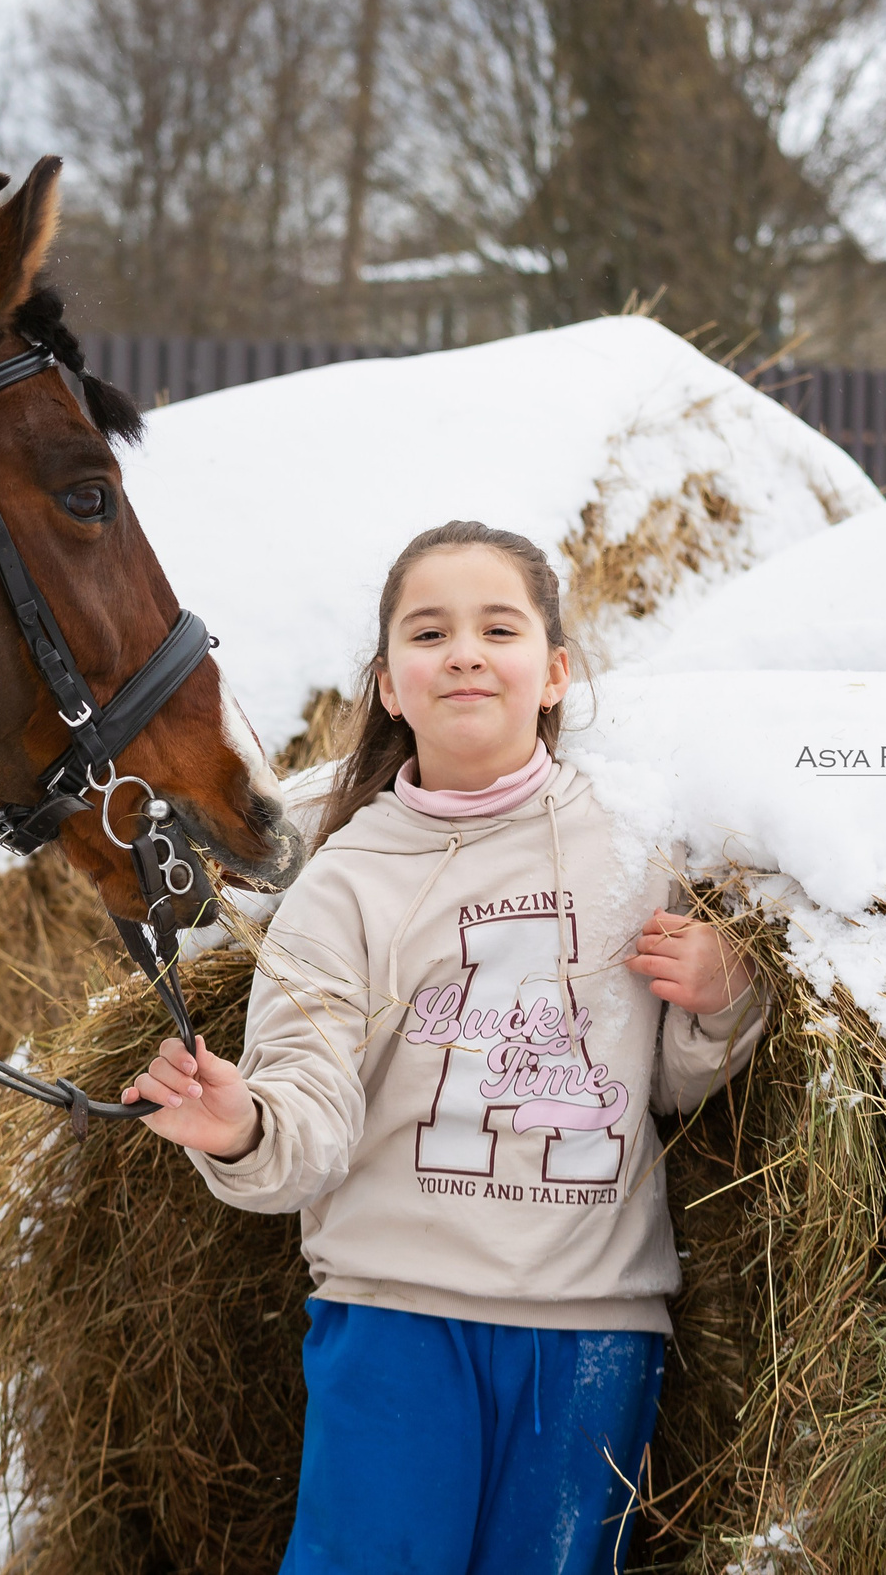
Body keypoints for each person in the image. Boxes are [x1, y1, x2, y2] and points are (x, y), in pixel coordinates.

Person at [121, 520, 765, 1575]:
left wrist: (724, 995)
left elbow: (671, 1081)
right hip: (396, 1317)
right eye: (429, 632)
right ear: (388, 685)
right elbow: (309, 1116)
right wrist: (243, 1128)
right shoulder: (343, 882)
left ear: (554, 673)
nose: (464, 650)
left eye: (497, 627)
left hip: (594, 1326)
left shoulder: (637, 841)